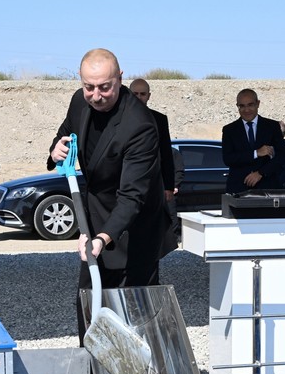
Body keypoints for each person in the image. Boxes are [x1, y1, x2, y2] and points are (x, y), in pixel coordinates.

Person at [47, 48, 176, 340]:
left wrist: (104, 238)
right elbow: (66, 132)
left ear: (120, 78)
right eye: (89, 87)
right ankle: (93, 372)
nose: (96, 95)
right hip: (94, 218)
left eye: (105, 87)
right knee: (89, 304)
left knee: (133, 315)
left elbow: (132, 196)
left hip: (135, 231)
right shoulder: (79, 101)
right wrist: (56, 149)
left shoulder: (140, 124)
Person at [129, 78, 183, 238]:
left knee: (152, 227)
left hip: (154, 183)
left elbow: (166, 153)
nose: (139, 97)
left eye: (142, 94)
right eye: (135, 94)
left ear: (149, 96)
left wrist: (168, 186)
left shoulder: (159, 120)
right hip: (126, 182)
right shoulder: (118, 118)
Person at [221, 89, 285, 194]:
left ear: (258, 104)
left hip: (268, 188)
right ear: (237, 106)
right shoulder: (229, 130)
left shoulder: (272, 127)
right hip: (238, 189)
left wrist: (260, 173)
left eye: (250, 105)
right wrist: (256, 153)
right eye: (242, 106)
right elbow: (228, 159)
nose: (246, 110)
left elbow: (282, 155)